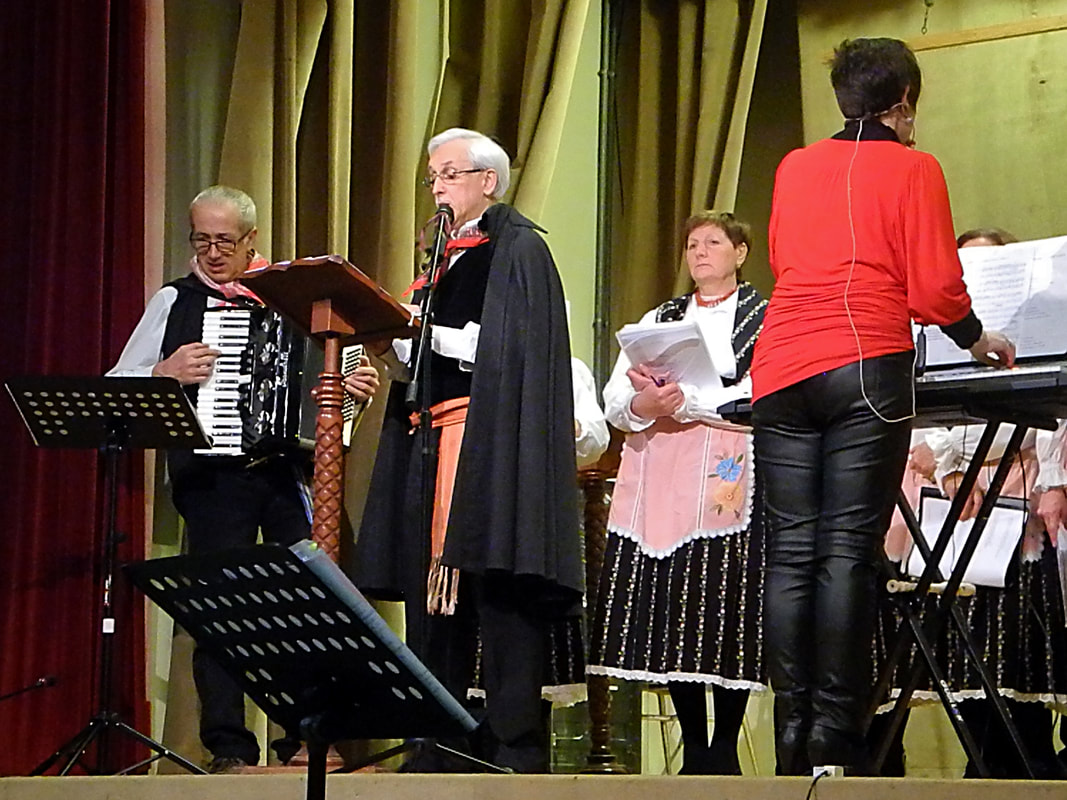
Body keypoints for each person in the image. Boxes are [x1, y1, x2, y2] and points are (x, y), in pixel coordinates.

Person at [749, 38, 1016, 774]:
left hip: (780, 365)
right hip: (863, 362)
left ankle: (790, 738)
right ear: (904, 101)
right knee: (844, 551)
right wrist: (977, 337)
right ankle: (834, 740)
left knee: (791, 552)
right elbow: (933, 288)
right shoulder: (913, 167)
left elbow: (783, 259)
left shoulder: (794, 165)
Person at [107, 185, 380, 773]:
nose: (211, 253)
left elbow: (340, 377)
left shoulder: (292, 297)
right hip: (212, 478)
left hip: (286, 473)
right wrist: (163, 371)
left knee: (308, 604)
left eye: (224, 242)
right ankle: (228, 747)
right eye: (201, 240)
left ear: (252, 239)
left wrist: (349, 391)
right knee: (220, 612)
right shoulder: (174, 300)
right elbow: (117, 382)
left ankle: (306, 742)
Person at [354, 128, 582, 773]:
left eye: (450, 174)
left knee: (497, 592)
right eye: (432, 177)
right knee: (432, 598)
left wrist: (420, 330)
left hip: (489, 446)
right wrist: (393, 344)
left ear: (488, 180)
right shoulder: (439, 259)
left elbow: (502, 347)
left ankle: (513, 746)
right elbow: (426, 360)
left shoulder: (517, 250)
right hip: (428, 439)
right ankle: (437, 742)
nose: (437, 187)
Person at [882, 228, 1067, 778]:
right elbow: (926, 413)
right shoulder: (938, 335)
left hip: (1016, 484)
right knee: (963, 634)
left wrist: (1039, 475)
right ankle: (982, 757)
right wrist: (950, 466)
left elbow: (1047, 414)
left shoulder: (1034, 328)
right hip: (957, 493)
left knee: (1020, 634)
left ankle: (1026, 758)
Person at [588, 211, 768, 774]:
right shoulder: (660, 318)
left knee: (724, 597)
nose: (700, 252)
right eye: (692, 244)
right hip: (663, 468)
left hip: (727, 466)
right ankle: (694, 746)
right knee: (676, 601)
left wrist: (692, 401)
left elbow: (764, 387)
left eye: (713, 242)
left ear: (740, 253)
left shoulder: (765, 317)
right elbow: (616, 397)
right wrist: (644, 403)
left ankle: (725, 746)